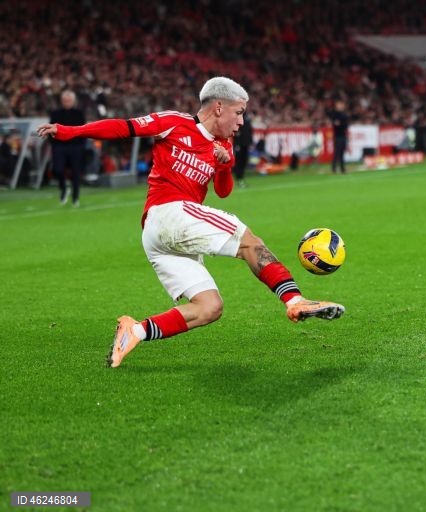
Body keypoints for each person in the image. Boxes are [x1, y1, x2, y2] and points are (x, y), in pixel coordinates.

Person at [37, 76, 345, 368]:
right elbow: (122, 127)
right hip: (169, 212)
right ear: (218, 107)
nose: (241, 122)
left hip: (161, 237)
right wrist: (68, 132)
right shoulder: (174, 124)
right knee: (250, 243)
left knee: (209, 308)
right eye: (239, 113)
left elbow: (223, 192)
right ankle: (295, 300)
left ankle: (136, 331)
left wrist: (225, 165)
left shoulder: (224, 144)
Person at [49, 90, 86, 206]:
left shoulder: (79, 114)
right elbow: (51, 129)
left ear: (73, 101)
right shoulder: (55, 114)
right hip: (60, 146)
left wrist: (80, 145)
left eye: (69, 101)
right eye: (65, 101)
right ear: (62, 101)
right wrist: (54, 144)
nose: (67, 103)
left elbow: (84, 130)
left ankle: (75, 198)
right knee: (58, 170)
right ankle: (64, 188)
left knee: (76, 172)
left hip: (75, 146)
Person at [232, 111, 252, 187]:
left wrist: (250, 141)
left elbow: (250, 130)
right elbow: (233, 128)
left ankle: (241, 177)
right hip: (239, 142)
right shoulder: (236, 117)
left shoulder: (247, 117)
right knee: (239, 160)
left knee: (244, 160)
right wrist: (236, 134)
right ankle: (238, 177)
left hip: (246, 143)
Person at [328, 100, 348, 174]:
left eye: (341, 104)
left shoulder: (344, 115)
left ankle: (342, 168)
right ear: (336, 106)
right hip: (338, 136)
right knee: (337, 153)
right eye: (339, 104)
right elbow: (336, 124)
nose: (341, 106)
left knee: (342, 153)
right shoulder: (335, 114)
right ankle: (334, 168)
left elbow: (344, 125)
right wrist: (339, 124)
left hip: (343, 136)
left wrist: (340, 124)